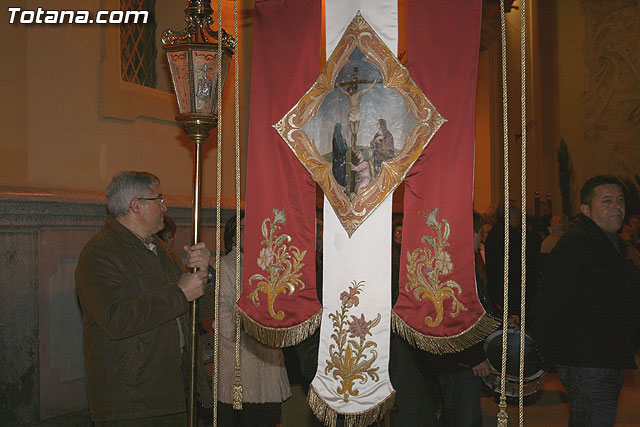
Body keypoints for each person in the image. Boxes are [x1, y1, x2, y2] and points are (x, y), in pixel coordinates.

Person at [75, 171, 213, 425]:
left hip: (173, 389)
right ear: (135, 205)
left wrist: (204, 276)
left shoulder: (160, 249)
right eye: (158, 199)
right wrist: (180, 292)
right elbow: (117, 319)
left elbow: (193, 313)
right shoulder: (100, 254)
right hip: (132, 399)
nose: (165, 206)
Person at [532, 175, 638, 426]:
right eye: (607, 201)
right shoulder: (577, 244)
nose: (617, 207)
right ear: (585, 209)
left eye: (620, 201)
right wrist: (548, 354)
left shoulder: (610, 243)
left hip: (605, 356)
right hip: (588, 359)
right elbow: (550, 301)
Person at [201, 214, 291, 426]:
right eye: (244, 227)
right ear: (233, 236)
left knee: (267, 417)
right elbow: (222, 315)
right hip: (240, 365)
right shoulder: (226, 266)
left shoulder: (268, 264)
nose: (251, 232)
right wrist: (255, 327)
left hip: (268, 362)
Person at [337, 79, 379, 148]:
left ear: (353, 89)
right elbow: (343, 92)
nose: (349, 91)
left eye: (350, 89)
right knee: (353, 133)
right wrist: (339, 86)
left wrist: (374, 83)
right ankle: (352, 146)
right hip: (351, 114)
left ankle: (354, 145)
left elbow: (368, 89)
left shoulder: (359, 94)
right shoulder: (349, 95)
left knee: (355, 133)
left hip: (357, 115)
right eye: (349, 90)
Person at [331, 122, 348, 188]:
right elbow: (342, 150)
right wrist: (345, 143)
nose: (341, 130)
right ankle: (340, 188)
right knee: (340, 175)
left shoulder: (336, 137)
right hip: (340, 161)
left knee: (338, 175)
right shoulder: (337, 137)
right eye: (340, 128)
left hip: (337, 160)